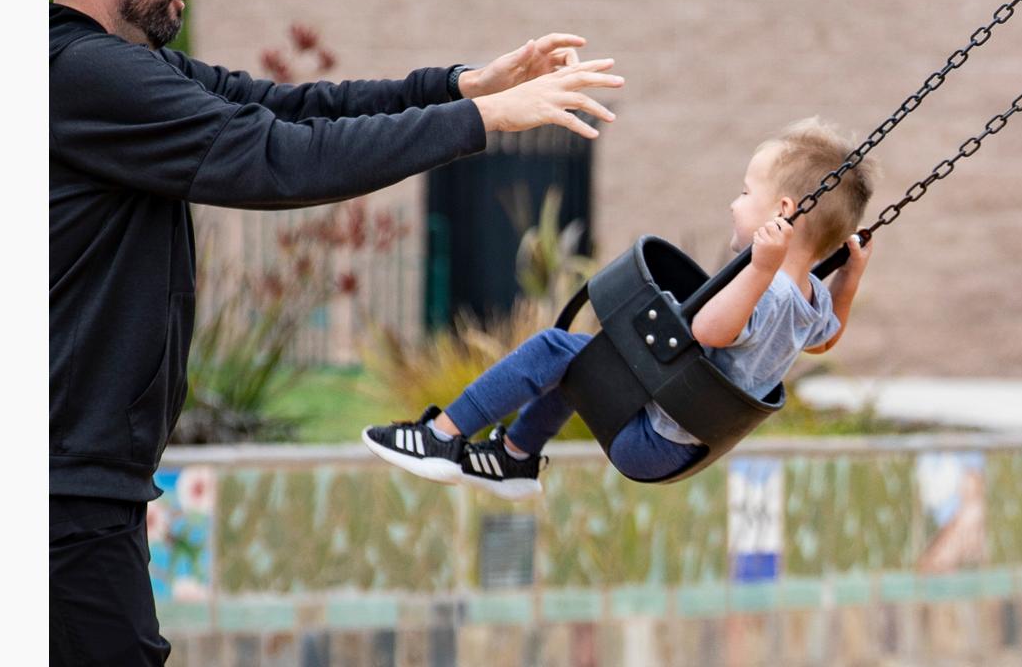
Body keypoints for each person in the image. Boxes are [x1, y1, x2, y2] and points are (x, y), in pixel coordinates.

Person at [48, 0, 625, 664]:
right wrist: (482, 121)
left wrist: (461, 86)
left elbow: (292, 107)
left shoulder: (116, 68)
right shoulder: (84, 73)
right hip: (63, 492)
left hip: (82, 486)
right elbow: (278, 158)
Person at [361, 117, 877, 496]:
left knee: (555, 348)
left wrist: (761, 267)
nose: (733, 204)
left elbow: (711, 330)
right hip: (683, 439)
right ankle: (514, 457)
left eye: (745, 193)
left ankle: (440, 437)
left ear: (783, 213)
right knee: (584, 361)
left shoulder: (770, 289)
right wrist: (849, 279)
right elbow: (825, 339)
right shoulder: (809, 295)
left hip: (653, 439)